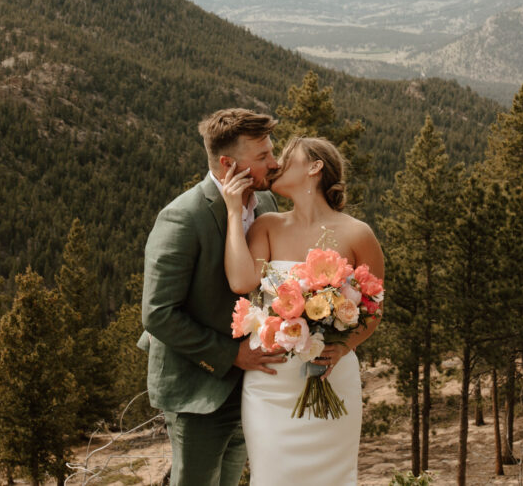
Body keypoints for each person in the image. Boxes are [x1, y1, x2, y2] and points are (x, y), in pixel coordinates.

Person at [219, 136, 385, 486]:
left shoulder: (358, 234)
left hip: (332, 377)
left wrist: (344, 345)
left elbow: (375, 308)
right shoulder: (267, 226)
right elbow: (241, 280)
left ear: (314, 167)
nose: (276, 164)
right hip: (271, 384)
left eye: (286, 157)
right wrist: (235, 211)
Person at [140, 108, 287, 486]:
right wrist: (231, 354)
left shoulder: (266, 206)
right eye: (263, 157)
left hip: (250, 384)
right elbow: (157, 314)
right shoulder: (182, 217)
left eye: (272, 152)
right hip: (198, 387)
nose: (275, 163)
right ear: (227, 163)